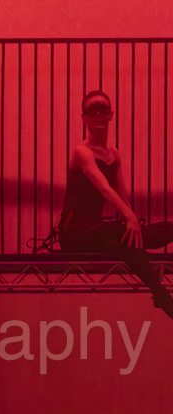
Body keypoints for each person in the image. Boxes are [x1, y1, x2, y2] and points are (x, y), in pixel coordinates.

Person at [53, 90, 173, 319]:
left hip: (100, 233)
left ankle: (160, 294)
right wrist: (130, 218)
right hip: (74, 233)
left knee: (129, 239)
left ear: (111, 115)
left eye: (103, 109)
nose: (98, 114)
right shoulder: (82, 152)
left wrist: (133, 223)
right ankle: (161, 295)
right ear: (84, 117)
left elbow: (121, 195)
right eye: (92, 110)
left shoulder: (114, 155)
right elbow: (105, 189)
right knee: (122, 235)